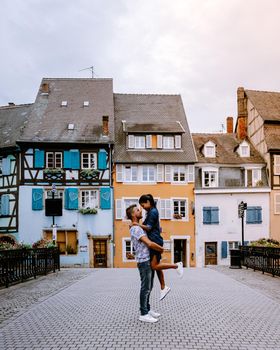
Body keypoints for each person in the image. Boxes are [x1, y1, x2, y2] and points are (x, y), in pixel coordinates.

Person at [137, 194, 183, 301]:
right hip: (155, 240)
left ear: (148, 201)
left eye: (142, 204)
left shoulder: (153, 212)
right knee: (157, 266)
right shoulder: (150, 212)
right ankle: (163, 287)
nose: (142, 207)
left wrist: (136, 224)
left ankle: (176, 265)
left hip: (155, 241)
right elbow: (145, 225)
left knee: (154, 266)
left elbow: (148, 227)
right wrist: (138, 223)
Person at [126, 204, 163, 323]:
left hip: (147, 260)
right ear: (133, 214)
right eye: (137, 210)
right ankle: (143, 313)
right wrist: (161, 249)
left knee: (149, 286)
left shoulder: (138, 227)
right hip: (144, 261)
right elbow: (149, 243)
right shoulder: (136, 229)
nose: (140, 210)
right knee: (145, 288)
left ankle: (147, 308)